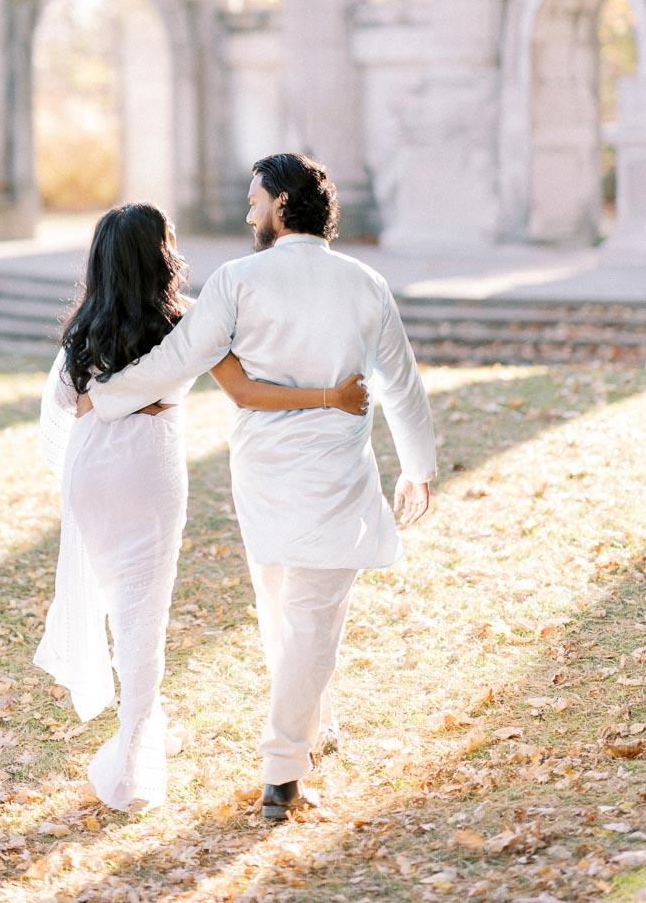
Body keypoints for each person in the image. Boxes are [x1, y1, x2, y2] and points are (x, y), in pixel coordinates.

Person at [86, 155, 437, 821]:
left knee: (289, 611)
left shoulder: (238, 280)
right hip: (327, 477)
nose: (248, 213)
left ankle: (305, 734)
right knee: (305, 618)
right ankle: (284, 769)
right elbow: (402, 383)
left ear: (280, 203)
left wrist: (105, 396)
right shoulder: (364, 283)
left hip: (266, 478)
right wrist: (418, 467)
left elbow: (177, 358)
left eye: (253, 201)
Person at [34, 201, 369, 814]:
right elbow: (245, 391)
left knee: (118, 604)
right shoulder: (187, 320)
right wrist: (328, 394)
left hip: (91, 471)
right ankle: (134, 762)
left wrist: (98, 400)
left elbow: (63, 402)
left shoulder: (84, 326)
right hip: (148, 472)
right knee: (143, 614)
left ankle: (146, 727)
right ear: (159, 254)